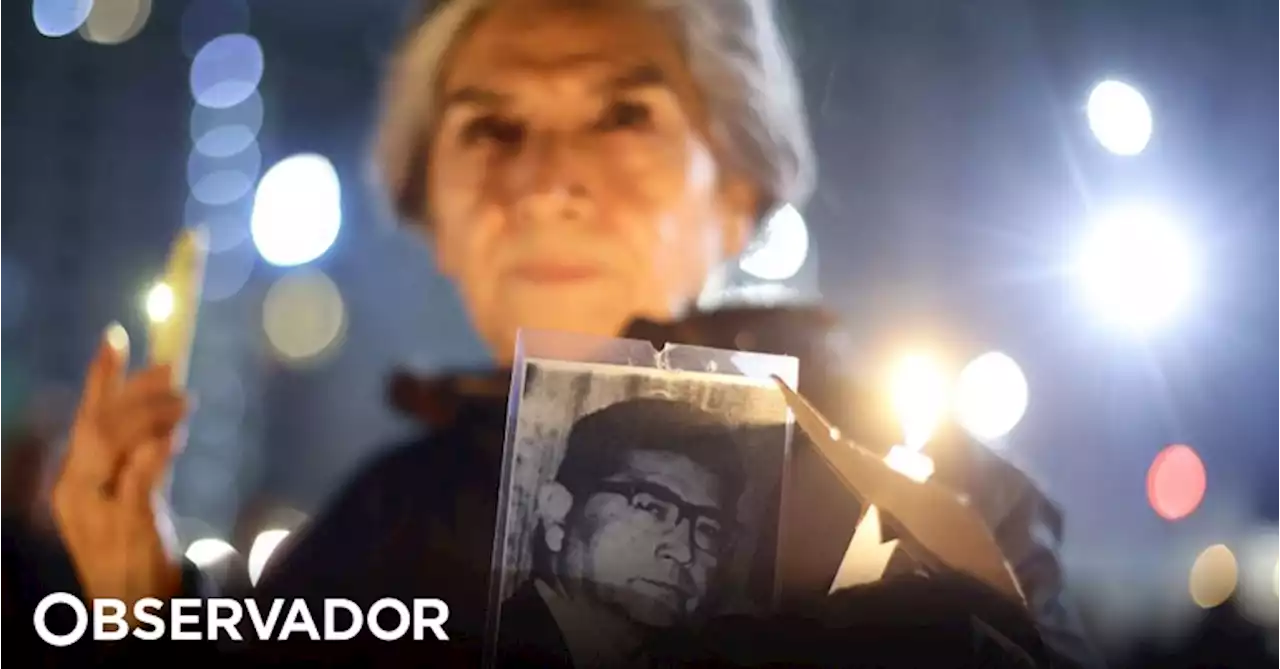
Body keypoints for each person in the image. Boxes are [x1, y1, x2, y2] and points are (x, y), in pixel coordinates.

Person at [23, 0, 1103, 666]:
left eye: (622, 115)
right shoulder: (374, 531)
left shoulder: (924, 497)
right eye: (488, 128)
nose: (544, 182)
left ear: (738, 190)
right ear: (428, 210)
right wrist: (144, 611)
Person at [500, 397, 748, 668]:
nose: (683, 551)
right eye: (652, 508)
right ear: (557, 511)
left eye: (708, 529)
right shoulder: (489, 647)